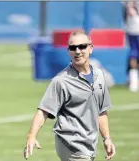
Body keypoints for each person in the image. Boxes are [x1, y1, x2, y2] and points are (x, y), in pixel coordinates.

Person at [23, 30, 116, 161]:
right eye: (73, 48)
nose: (77, 51)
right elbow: (43, 111)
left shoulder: (99, 76)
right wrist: (31, 137)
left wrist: (107, 138)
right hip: (70, 144)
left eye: (82, 46)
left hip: (89, 144)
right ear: (68, 51)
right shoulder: (61, 81)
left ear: (91, 48)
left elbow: (101, 111)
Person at [123, 1, 139, 92]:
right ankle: (134, 81)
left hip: (130, 28)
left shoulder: (126, 2)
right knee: (134, 53)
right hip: (136, 27)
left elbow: (124, 15)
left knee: (133, 53)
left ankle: (133, 81)